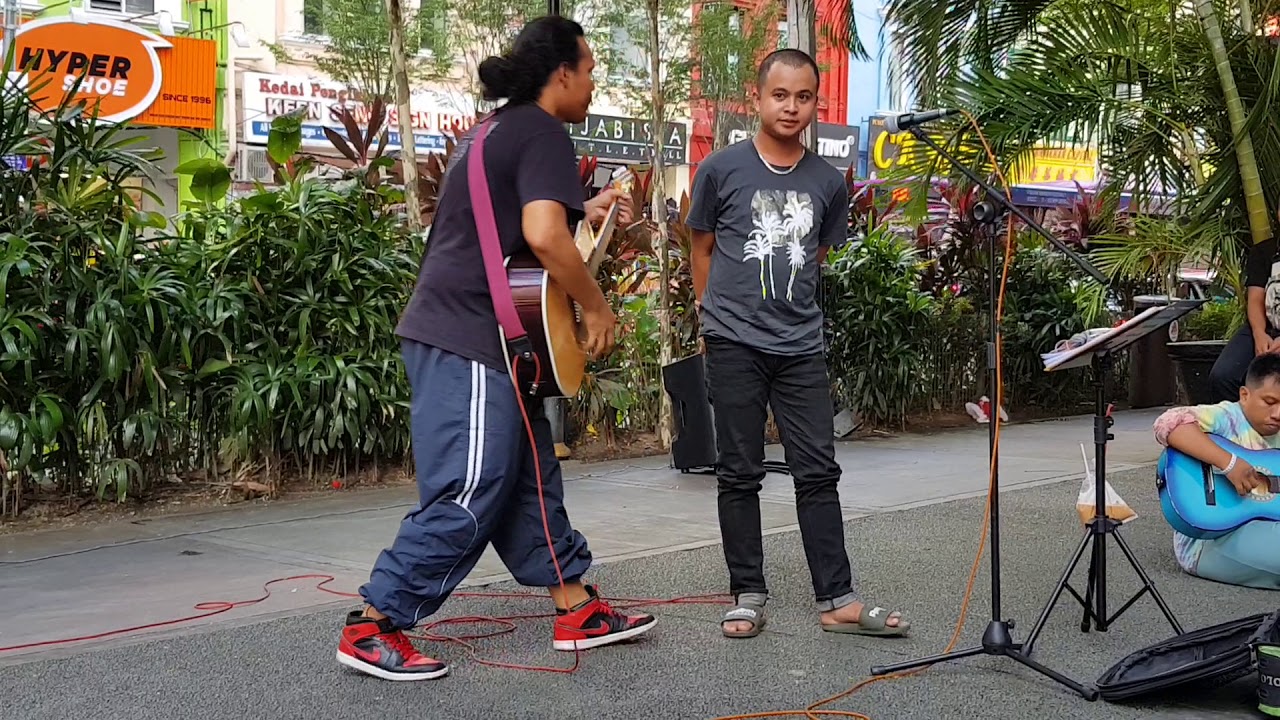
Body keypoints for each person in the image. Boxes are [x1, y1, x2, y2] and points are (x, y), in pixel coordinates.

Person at [337, 16, 656, 682]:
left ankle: (575, 606)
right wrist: (594, 306)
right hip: (471, 337)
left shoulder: (498, 130)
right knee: (470, 486)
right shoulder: (541, 130)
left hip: (475, 335)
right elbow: (541, 236)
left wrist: (584, 212)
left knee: (530, 476)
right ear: (560, 72)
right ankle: (375, 623)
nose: (595, 80)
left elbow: (514, 228)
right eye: (591, 68)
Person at [686, 48, 910, 639]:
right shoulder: (721, 169)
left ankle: (836, 598)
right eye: (779, 95)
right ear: (757, 98)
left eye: (804, 96)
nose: (791, 106)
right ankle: (747, 590)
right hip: (733, 342)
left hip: (800, 347)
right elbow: (702, 249)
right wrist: (713, 319)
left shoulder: (826, 182)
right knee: (739, 470)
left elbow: (815, 257)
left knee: (819, 470)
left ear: (815, 102)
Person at [1155, 352, 1280, 589]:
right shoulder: (1228, 417)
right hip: (1210, 538)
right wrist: (1229, 463)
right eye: (1269, 402)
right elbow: (1168, 423)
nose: (1277, 414)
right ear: (1245, 395)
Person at [1207, 224, 1280, 402]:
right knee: (1224, 376)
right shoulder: (1264, 251)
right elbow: (1255, 299)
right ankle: (1243, 426)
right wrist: (1259, 333)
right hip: (1265, 326)